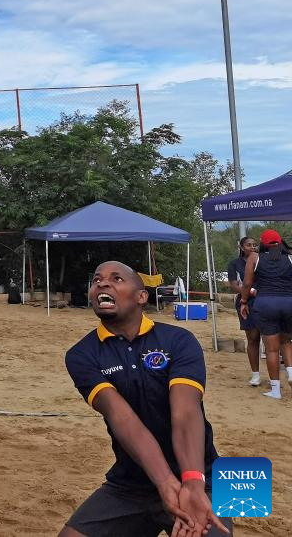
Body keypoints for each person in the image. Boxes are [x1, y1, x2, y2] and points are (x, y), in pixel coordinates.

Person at [61, 261, 231, 537]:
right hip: (132, 484)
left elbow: (185, 412)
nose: (102, 284)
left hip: (202, 477)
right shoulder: (82, 355)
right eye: (96, 280)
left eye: (117, 279)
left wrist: (191, 482)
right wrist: (165, 483)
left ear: (141, 297)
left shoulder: (178, 340)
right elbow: (122, 418)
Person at [241, 228, 292, 400]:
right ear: (280, 243)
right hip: (289, 303)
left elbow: (247, 284)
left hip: (266, 303)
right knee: (286, 341)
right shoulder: (290, 257)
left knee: (271, 349)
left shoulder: (255, 258)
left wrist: (243, 302)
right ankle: (291, 373)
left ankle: (276, 390)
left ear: (262, 243)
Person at [226, 236, 260, 385]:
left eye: (254, 245)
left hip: (263, 301)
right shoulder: (234, 264)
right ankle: (256, 375)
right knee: (252, 338)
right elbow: (234, 285)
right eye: (248, 245)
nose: (252, 247)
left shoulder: (262, 261)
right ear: (241, 247)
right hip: (245, 301)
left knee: (270, 338)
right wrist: (249, 291)